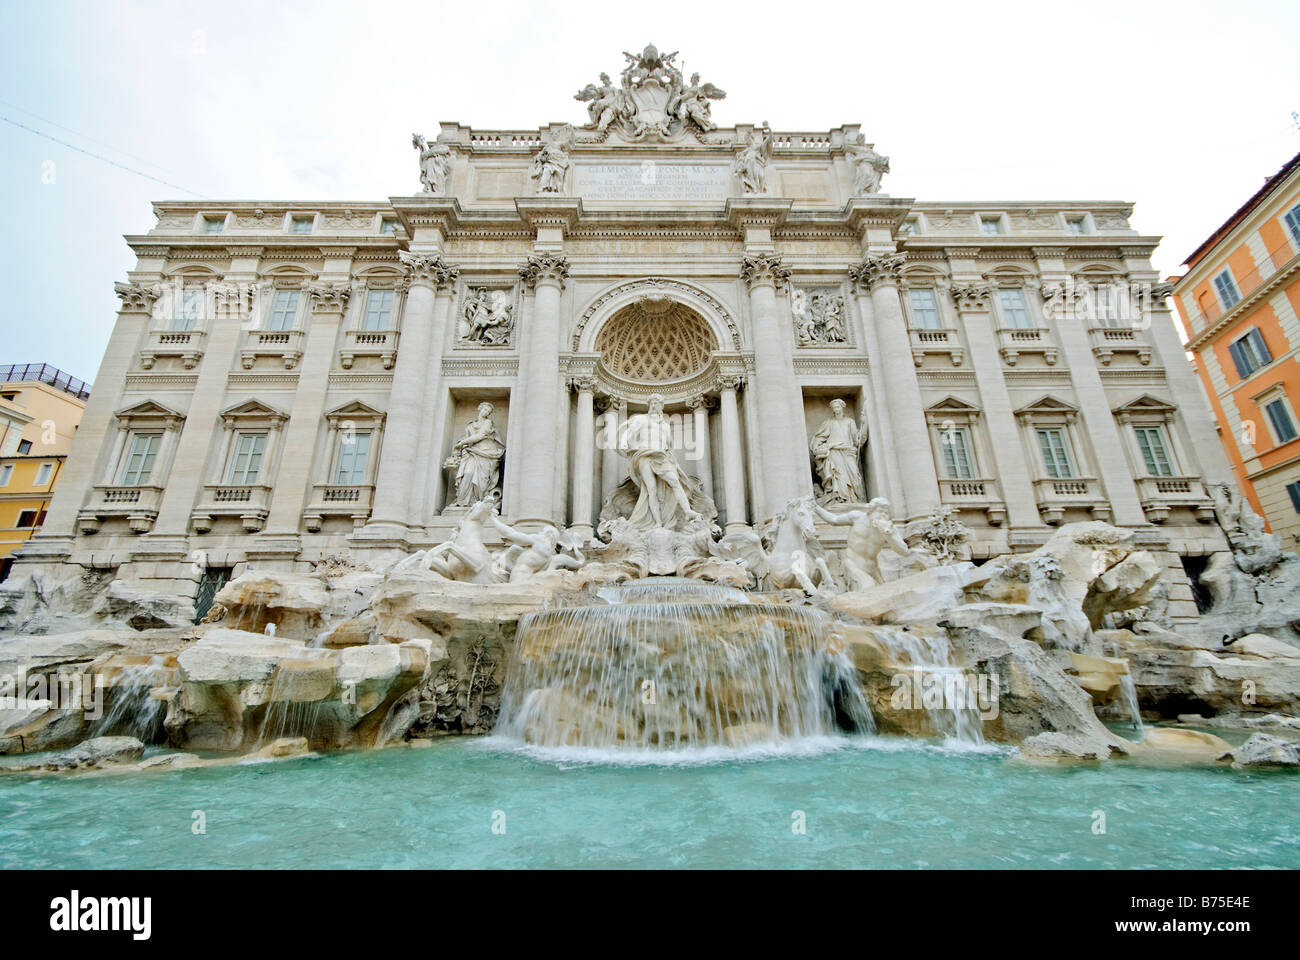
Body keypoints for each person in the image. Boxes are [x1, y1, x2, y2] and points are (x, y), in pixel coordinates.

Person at [810, 399, 867, 503]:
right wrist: (818, 448)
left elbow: (857, 440)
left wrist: (864, 424)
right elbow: (818, 438)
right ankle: (841, 500)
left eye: (838, 407)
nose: (836, 409)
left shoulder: (850, 422)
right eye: (834, 408)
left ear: (842, 407)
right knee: (839, 476)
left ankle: (854, 499)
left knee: (854, 476)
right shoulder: (828, 423)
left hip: (848, 452)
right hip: (834, 452)